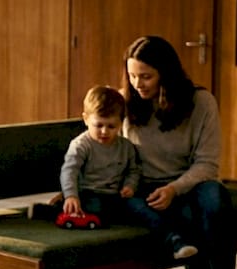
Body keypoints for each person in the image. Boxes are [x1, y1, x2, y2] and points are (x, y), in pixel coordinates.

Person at [122, 35, 237, 269]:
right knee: (186, 219)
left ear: (166, 73)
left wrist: (175, 188)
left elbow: (207, 165)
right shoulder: (127, 103)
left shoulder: (201, 102)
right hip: (149, 190)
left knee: (215, 200)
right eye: (132, 75)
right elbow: (101, 150)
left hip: (192, 183)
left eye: (146, 76)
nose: (138, 84)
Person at [60, 85, 198, 259]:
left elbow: (134, 170)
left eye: (111, 126)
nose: (104, 131)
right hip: (89, 194)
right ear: (86, 119)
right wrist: (71, 195)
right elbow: (69, 171)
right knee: (96, 207)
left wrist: (129, 186)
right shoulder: (81, 145)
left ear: (121, 123)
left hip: (116, 196)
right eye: (99, 125)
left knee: (143, 208)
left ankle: (175, 241)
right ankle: (57, 210)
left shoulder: (125, 147)